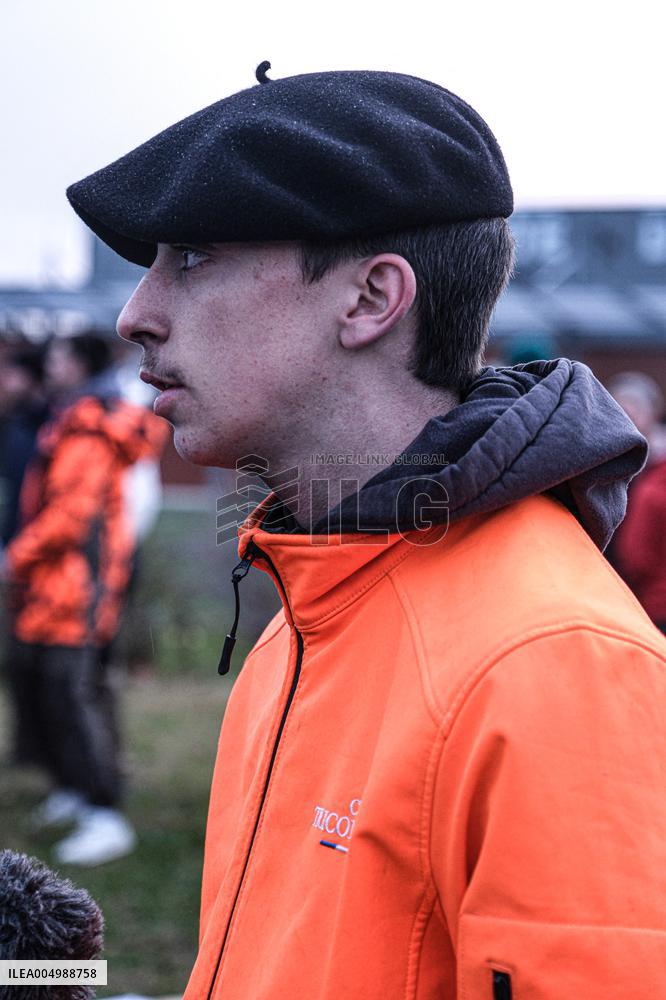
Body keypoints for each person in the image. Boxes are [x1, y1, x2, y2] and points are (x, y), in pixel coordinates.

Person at [66, 66, 666, 996]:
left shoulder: (553, 664)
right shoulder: (308, 614)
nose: (135, 313)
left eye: (190, 256)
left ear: (369, 300)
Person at [2, 332, 167, 866]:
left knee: (74, 696)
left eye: (58, 357)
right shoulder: (73, 418)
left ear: (81, 365)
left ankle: (105, 814)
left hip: (76, 587)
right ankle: (75, 793)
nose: (49, 365)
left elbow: (70, 517)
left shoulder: (90, 429)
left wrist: (15, 558)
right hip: (57, 586)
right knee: (54, 692)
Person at [607, 371, 666, 634]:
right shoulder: (604, 465)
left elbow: (637, 555)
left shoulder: (656, 473)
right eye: (617, 410)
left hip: (650, 603)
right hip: (621, 598)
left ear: (653, 413)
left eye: (632, 412)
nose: (625, 420)